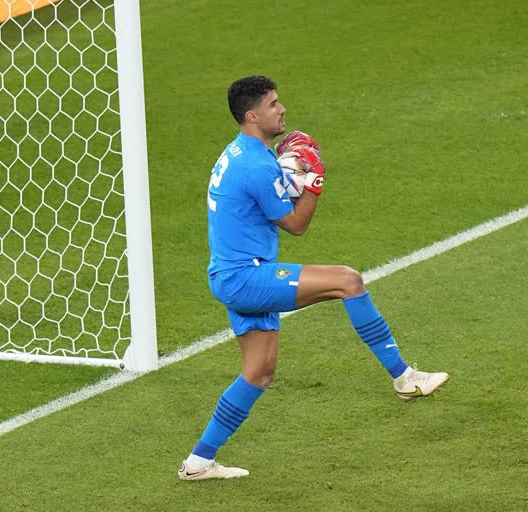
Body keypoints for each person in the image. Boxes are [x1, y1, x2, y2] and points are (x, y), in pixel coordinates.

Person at [178, 75, 449, 481]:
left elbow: (268, 196)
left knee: (259, 372)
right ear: (252, 115)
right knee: (348, 280)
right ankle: (405, 379)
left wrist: (291, 175)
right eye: (272, 104)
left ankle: (199, 462)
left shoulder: (241, 153)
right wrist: (314, 182)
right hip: (246, 277)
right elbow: (296, 224)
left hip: (233, 274)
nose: (281, 108)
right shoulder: (254, 163)